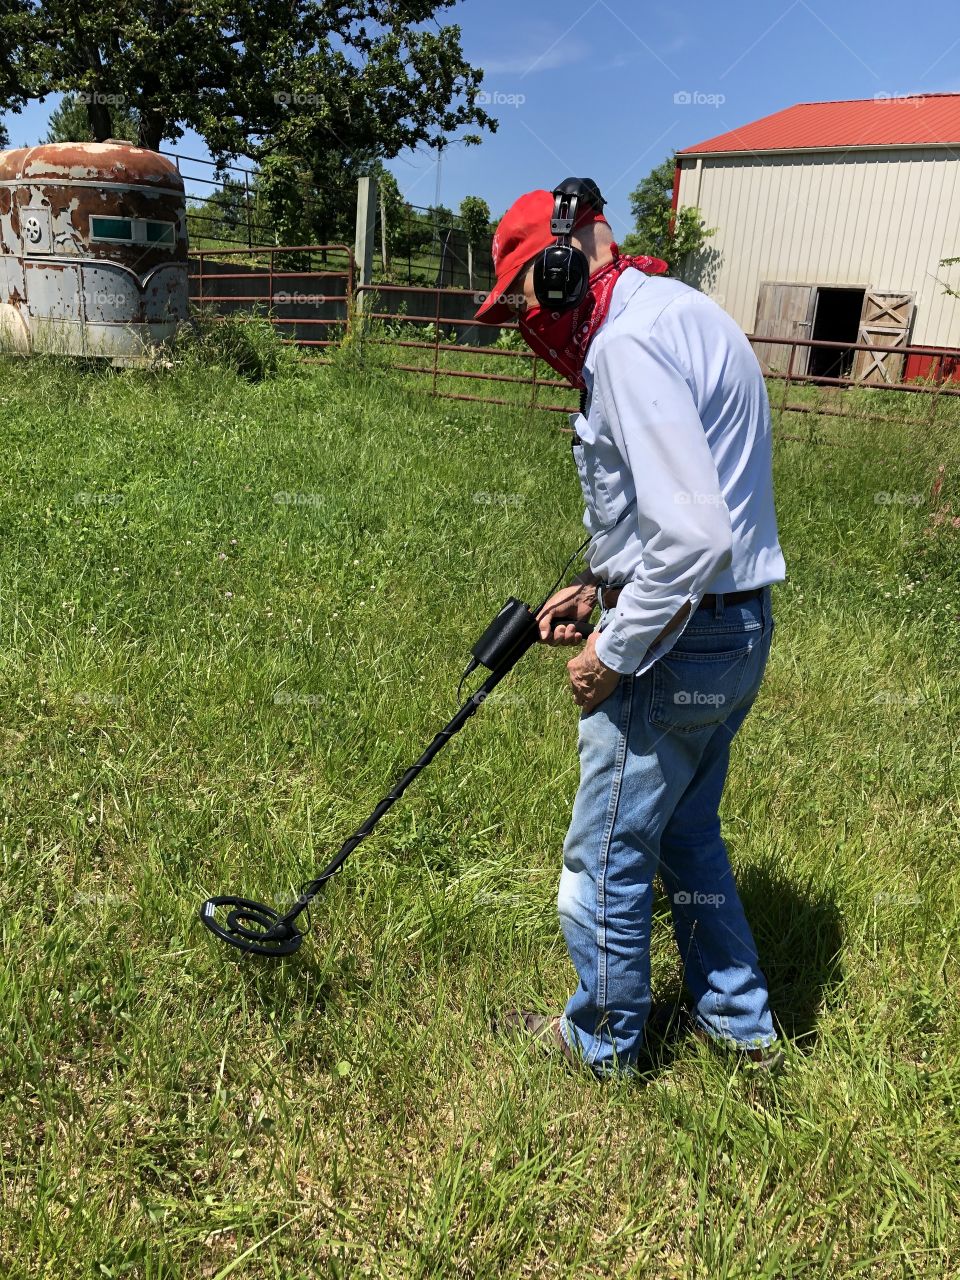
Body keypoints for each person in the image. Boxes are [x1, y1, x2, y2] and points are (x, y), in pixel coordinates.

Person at [474, 182, 788, 1077]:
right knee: (688, 833)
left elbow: (690, 534)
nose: (529, 322)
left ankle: (601, 1047)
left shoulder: (627, 346)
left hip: (681, 637)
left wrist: (612, 650)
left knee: (605, 851)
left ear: (563, 265)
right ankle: (740, 1027)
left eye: (527, 295)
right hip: (738, 626)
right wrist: (602, 586)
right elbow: (688, 509)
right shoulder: (678, 310)